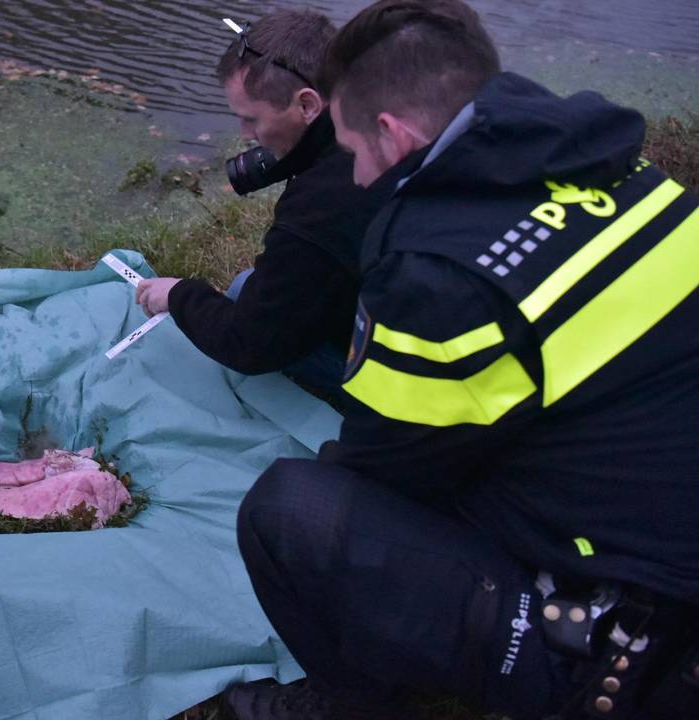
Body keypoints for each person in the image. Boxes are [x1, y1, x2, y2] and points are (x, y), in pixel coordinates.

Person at [227, 1, 699, 719]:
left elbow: (383, 471)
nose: (355, 178)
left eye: (353, 152)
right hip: (653, 494)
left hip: (637, 639)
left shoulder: (436, 277)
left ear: (391, 132)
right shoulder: (633, 175)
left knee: (293, 512)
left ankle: (351, 703)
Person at [134, 8, 383, 401]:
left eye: (251, 120)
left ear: (307, 105)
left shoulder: (321, 207)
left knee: (241, 298)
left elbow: (249, 345)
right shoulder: (387, 112)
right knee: (246, 286)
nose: (245, 134)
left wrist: (180, 294)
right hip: (447, 316)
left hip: (417, 386)